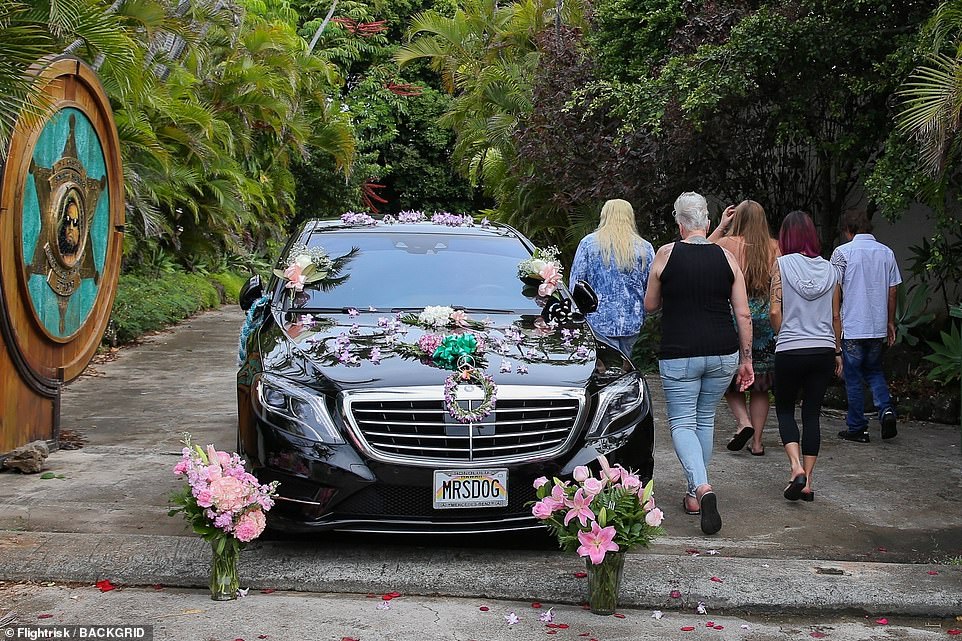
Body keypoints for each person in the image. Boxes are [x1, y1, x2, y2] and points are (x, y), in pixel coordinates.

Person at [644, 191, 754, 535]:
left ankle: (702, 488)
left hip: (680, 353)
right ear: (707, 223)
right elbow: (744, 313)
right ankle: (694, 494)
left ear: (679, 225)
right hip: (722, 352)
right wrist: (746, 360)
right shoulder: (727, 258)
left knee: (681, 422)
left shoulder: (665, 255)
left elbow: (650, 305)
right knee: (704, 419)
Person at [770, 211, 841, 503]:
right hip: (823, 349)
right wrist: (837, 351)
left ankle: (795, 468)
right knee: (811, 413)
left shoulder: (782, 265)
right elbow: (836, 316)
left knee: (785, 409)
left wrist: (781, 334)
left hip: (790, 348)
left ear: (786, 237)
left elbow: (775, 311)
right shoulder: (831, 269)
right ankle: (809, 482)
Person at [709, 200, 780, 456]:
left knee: (731, 377)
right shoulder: (775, 247)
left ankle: (743, 421)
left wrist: (720, 227)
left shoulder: (728, 244)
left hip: (736, 316)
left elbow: (701, 249)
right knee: (761, 385)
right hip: (766, 321)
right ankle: (758, 442)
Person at [830, 209, 901, 443]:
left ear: (847, 230)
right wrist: (890, 322)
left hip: (852, 325)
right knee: (874, 371)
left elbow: (835, 291)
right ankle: (886, 410)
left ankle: (857, 427)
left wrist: (835, 328)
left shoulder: (842, 253)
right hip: (876, 326)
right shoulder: (887, 253)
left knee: (853, 378)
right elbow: (892, 292)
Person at [570, 199, 656, 359]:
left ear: (604, 216)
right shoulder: (645, 248)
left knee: (605, 368)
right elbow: (651, 286)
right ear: (630, 217)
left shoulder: (588, 244)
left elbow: (576, 284)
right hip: (633, 320)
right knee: (625, 366)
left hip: (598, 320)